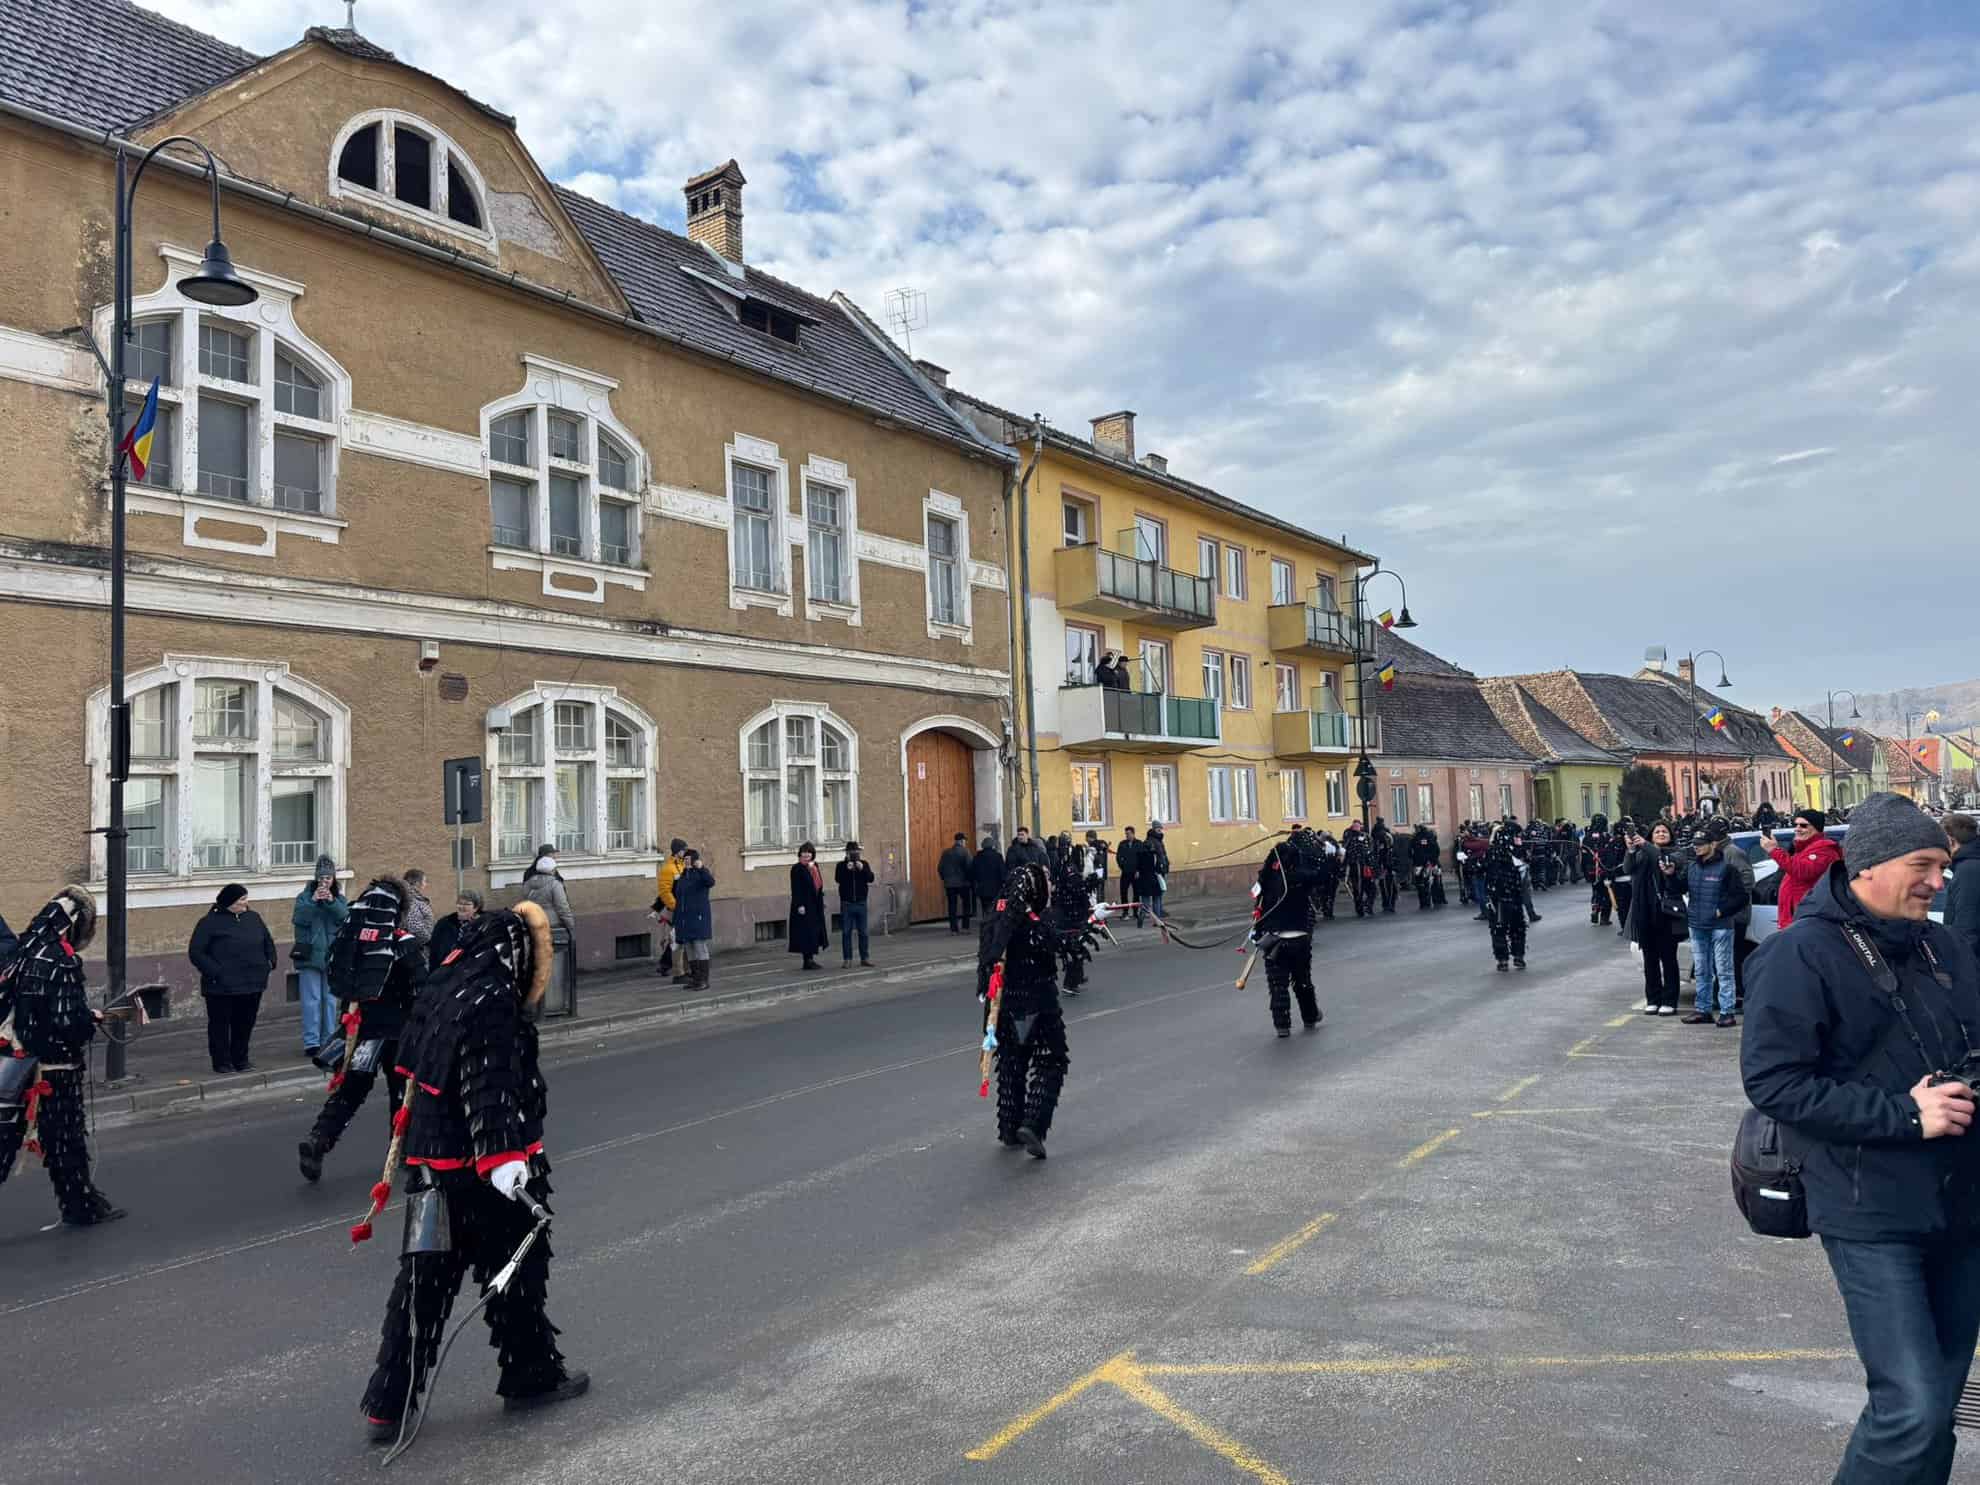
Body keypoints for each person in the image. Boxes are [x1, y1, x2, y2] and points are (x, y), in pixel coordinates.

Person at [1743, 793, 1980, 1484]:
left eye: (1943, 864)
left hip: (1961, 1203)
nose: (1941, 880)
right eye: (1924, 864)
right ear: (1870, 864)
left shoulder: (1941, 944)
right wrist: (1907, 1115)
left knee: (1935, 1407)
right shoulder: (1802, 954)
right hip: (1868, 1206)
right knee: (1910, 1405)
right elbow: (1776, 1082)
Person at [358, 898, 587, 1441]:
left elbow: (416, 1069)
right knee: (517, 1275)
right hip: (485, 1175)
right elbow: (489, 1085)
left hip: (431, 1168)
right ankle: (530, 1374)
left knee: (422, 1285)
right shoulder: (493, 1003)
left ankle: (388, 1405)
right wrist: (504, 1159)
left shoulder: (443, 987)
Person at [0, 886, 123, 1225]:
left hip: (15, 1061)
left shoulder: (23, 953)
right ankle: (80, 1206)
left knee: (11, 1140)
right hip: (54, 1071)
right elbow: (66, 1022)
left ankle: (81, 1205)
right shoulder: (60, 960)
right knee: (65, 1140)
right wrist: (89, 1020)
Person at [298, 876, 425, 1184]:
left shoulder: (351, 939)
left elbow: (342, 983)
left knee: (350, 1092)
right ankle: (403, 1153)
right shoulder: (403, 943)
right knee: (402, 1093)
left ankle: (319, 1140)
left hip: (363, 1031)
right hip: (398, 1033)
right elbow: (423, 986)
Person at [978, 863, 1089, 1158]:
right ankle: (1033, 1124)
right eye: (1046, 880)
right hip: (1036, 1001)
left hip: (1002, 1006)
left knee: (1013, 1062)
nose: (1050, 885)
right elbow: (1065, 945)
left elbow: (986, 963)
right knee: (1052, 1059)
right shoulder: (1032, 922)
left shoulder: (997, 918)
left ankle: (1009, 1126)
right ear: (1034, 887)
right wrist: (1091, 921)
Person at [187, 884, 275, 1074]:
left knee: (245, 1023)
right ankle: (222, 1062)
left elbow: (267, 941)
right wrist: (216, 972)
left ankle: (241, 1059)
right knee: (220, 1025)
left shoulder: (253, 918)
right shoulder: (209, 922)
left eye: (245, 898)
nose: (246, 903)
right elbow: (196, 952)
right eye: (241, 900)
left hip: (253, 982)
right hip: (221, 986)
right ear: (229, 903)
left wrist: (270, 962)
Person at [1252, 831, 1325, 1036]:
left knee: (1278, 984)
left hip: (1273, 939)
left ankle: (1282, 1025)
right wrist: (1322, 849)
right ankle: (1310, 1016)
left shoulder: (1266, 880)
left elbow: (1257, 906)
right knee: (1302, 981)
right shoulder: (1302, 877)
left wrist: (1257, 933)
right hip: (1299, 938)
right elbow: (1322, 873)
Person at [1680, 821, 1748, 1027]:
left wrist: (1721, 911)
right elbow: (1677, 887)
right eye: (1695, 843)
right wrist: (1670, 875)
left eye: (1701, 843)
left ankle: (1727, 1011)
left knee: (1724, 969)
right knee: (1701, 970)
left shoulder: (1727, 869)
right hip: (1697, 924)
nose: (1697, 847)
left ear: (1713, 845)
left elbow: (1741, 897)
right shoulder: (1691, 867)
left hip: (1721, 926)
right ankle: (1703, 1009)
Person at [291, 855, 349, 1060]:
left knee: (330, 1000)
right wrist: (314, 901)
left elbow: (345, 918)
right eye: (322, 878)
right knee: (311, 1000)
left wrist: (331, 902)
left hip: (332, 957)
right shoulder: (304, 897)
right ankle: (312, 1042)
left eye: (329, 878)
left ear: (333, 879)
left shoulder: (339, 898)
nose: (325, 882)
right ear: (316, 878)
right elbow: (298, 919)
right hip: (309, 956)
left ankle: (328, 1039)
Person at [1626, 822, 1686, 1015]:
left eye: (1664, 831)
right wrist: (1631, 850)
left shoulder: (1677, 852)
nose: (1661, 834)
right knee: (1649, 959)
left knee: (1668, 959)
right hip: (1644, 911)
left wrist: (1644, 845)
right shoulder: (1642, 852)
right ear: (1651, 835)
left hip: (1666, 913)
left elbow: (1662, 858)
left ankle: (1669, 1000)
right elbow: (1628, 868)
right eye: (1657, 831)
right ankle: (1653, 998)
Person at [1768, 809, 1844, 930]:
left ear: (1816, 828)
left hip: (1809, 919)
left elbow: (1802, 871)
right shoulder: (1803, 849)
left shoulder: (1824, 850)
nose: (1797, 828)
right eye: (1796, 824)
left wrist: (1774, 850)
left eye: (1803, 825)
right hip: (1796, 919)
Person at [1050, 843, 1097, 995]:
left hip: (1073, 915)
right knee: (1073, 949)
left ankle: (1078, 977)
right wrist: (1088, 885)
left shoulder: (1071, 869)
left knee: (1078, 946)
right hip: (1069, 916)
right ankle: (1069, 984)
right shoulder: (1071, 870)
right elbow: (1077, 890)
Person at [1484, 827, 1528, 972]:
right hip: (1502, 896)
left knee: (1504, 928)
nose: (1518, 838)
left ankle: (1510, 958)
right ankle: (1511, 957)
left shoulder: (1505, 851)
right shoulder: (1502, 851)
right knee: (1506, 927)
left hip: (1507, 895)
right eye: (1516, 836)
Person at [1723, 824, 1757, 1007]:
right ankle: (1733, 993)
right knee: (1729, 956)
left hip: (1736, 914)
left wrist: (1733, 902)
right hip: (1730, 913)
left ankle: (1738, 994)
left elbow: (1747, 880)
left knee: (1734, 956)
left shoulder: (1732, 852)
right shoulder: (1724, 851)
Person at [672, 849, 715, 989]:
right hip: (684, 920)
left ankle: (704, 980)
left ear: (695, 860)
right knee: (689, 950)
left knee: (699, 947)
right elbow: (678, 901)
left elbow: (710, 882)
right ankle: (695, 979)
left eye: (689, 859)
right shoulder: (682, 878)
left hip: (698, 918)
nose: (686, 862)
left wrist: (701, 868)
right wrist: (676, 922)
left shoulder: (701, 875)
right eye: (684, 859)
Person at [520, 848, 576, 941]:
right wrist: (570, 924)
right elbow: (562, 907)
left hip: (532, 920)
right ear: (552, 870)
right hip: (551, 923)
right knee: (555, 950)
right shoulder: (555, 884)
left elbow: (525, 901)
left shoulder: (528, 883)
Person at [836, 841, 875, 968]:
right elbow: (838, 879)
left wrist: (862, 869)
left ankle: (865, 958)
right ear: (847, 853)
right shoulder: (841, 865)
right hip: (847, 903)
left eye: (856, 852)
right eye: (851, 852)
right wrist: (847, 870)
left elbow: (871, 878)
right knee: (846, 932)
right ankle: (847, 959)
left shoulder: (864, 864)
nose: (854, 854)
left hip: (861, 903)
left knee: (863, 932)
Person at [789, 841, 827, 971]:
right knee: (806, 933)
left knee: (815, 931)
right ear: (800, 855)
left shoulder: (814, 866)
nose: (806, 856)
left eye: (809, 854)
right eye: (804, 854)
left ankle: (811, 958)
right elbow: (796, 888)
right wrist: (799, 905)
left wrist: (813, 870)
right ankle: (807, 960)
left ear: (812, 855)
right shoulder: (797, 868)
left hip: (815, 904)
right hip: (804, 905)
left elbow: (819, 884)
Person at [654, 838, 689, 978]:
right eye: (682, 850)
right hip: (675, 909)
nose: (684, 852)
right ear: (676, 851)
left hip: (684, 908)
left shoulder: (681, 866)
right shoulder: (668, 868)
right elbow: (665, 892)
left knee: (678, 937)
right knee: (677, 938)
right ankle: (668, 965)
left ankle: (665, 964)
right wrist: (675, 906)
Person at [1947, 814, 1979, 965]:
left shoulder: (1968, 871)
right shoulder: (1971, 864)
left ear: (1950, 841)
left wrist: (1959, 966)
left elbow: (1966, 927)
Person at [428, 891, 481, 971]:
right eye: (460, 903)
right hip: (447, 970)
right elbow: (434, 950)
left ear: (475, 908)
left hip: (473, 971)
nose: (462, 907)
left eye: (467, 904)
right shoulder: (444, 923)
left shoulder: (483, 925)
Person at [938, 832, 974, 933]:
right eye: (964, 841)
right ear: (962, 841)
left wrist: (944, 879)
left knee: (952, 906)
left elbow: (940, 868)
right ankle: (965, 927)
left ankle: (953, 929)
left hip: (949, 884)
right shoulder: (965, 852)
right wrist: (970, 880)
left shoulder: (946, 852)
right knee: (966, 905)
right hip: (963, 883)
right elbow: (969, 867)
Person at [1136, 824, 1171, 925]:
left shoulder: (1147, 843)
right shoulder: (1156, 843)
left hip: (1146, 875)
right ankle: (1157, 919)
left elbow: (1140, 862)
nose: (1161, 831)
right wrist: (1162, 868)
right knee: (1157, 896)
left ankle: (1143, 915)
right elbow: (1161, 858)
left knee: (1146, 898)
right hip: (1155, 874)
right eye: (1159, 829)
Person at [1408, 824, 1444, 909]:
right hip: (1431, 863)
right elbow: (1436, 850)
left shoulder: (1415, 838)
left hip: (1419, 864)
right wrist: (1433, 860)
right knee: (1435, 881)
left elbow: (1409, 851)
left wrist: (1414, 859)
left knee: (1420, 883)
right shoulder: (1431, 836)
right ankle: (1437, 899)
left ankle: (1424, 902)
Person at [1342, 820, 1373, 918]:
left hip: (1365, 864)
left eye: (1358, 826)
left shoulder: (1365, 836)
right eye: (1354, 826)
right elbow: (1345, 849)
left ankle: (1368, 905)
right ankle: (1360, 908)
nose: (1356, 827)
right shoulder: (1349, 836)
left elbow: (1370, 848)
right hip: (1355, 865)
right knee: (1357, 887)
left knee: (1371, 888)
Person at [971, 834, 1006, 917]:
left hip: (982, 888)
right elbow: (1002, 872)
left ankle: (986, 922)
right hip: (996, 887)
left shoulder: (977, 857)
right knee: (998, 907)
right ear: (993, 845)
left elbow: (973, 872)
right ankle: (997, 923)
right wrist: (1004, 882)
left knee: (985, 907)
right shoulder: (998, 856)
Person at [1113, 826, 1144, 921]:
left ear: (1133, 834)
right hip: (1125, 872)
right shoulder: (1122, 844)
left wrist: (1138, 870)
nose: (1127, 835)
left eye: (1129, 834)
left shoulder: (1139, 844)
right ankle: (1125, 912)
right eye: (1126, 834)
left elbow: (1142, 858)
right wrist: (1122, 866)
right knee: (1123, 892)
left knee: (1136, 893)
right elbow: (1118, 857)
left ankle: (1135, 912)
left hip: (1136, 873)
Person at [1370, 818, 1400, 913]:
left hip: (1381, 865)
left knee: (1383, 886)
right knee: (1391, 886)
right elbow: (1390, 851)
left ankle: (1386, 904)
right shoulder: (1386, 836)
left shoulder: (1375, 836)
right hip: (1387, 865)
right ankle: (1390, 904)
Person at [402, 869, 435, 945]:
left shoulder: (415, 897)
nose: (425, 884)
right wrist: (430, 939)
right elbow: (414, 926)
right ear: (417, 883)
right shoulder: (410, 899)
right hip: (417, 945)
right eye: (424, 881)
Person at [1085, 830, 1111, 903]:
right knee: (1101, 891)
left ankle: (1097, 907)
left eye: (1086, 838)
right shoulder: (1103, 843)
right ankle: (1101, 906)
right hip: (1103, 871)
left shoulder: (1092, 845)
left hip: (1096, 872)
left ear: (1089, 837)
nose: (1086, 840)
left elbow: (1094, 859)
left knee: (1095, 891)